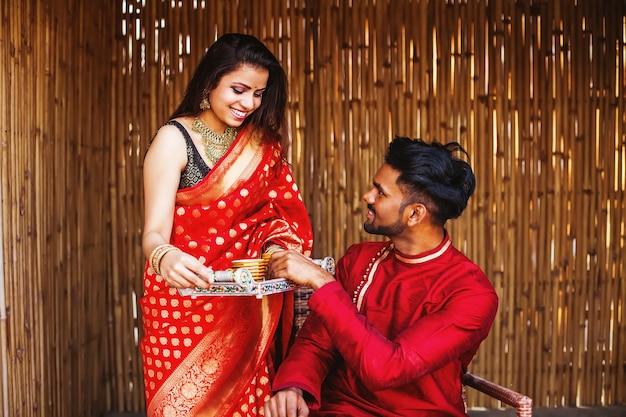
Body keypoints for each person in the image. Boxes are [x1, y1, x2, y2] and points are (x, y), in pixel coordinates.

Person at [139, 33, 313, 417]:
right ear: (210, 81)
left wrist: (274, 246)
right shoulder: (174, 139)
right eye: (239, 89)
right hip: (180, 305)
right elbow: (153, 232)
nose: (248, 104)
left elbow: (280, 217)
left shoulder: (263, 147)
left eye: (258, 94)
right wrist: (164, 255)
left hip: (245, 305)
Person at [263, 136, 498, 417]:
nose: (367, 196)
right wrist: (295, 386)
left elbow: (387, 369)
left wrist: (323, 282)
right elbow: (318, 340)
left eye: (380, 192)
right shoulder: (359, 259)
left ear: (415, 214)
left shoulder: (472, 294)